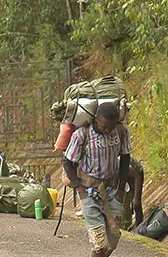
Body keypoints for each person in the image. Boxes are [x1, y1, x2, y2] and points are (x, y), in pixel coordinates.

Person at [62, 102, 131, 257]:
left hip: (113, 190)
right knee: (99, 242)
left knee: (113, 239)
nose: (107, 130)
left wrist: (121, 191)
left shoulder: (121, 131)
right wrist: (80, 190)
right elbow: (67, 162)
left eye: (110, 127)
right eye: (103, 126)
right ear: (95, 119)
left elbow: (126, 159)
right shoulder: (82, 135)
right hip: (89, 192)